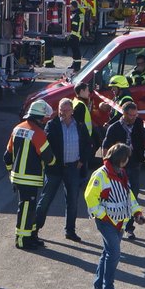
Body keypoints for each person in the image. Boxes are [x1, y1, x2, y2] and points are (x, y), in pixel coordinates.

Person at [85, 143, 145, 289]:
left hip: (119, 222)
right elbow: (90, 198)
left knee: (108, 253)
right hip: (107, 222)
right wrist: (103, 216)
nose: (128, 161)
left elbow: (128, 196)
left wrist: (137, 213)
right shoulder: (100, 175)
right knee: (114, 254)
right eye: (127, 158)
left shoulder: (121, 173)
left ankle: (98, 287)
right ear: (121, 159)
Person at [36, 98, 92, 243]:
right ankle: (34, 229)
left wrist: (82, 160)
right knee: (46, 199)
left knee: (73, 201)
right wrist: (49, 161)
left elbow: (88, 144)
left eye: (66, 110)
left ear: (72, 111)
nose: (63, 113)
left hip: (73, 168)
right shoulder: (52, 124)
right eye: (61, 109)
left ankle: (70, 231)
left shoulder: (79, 125)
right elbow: (44, 145)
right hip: (54, 168)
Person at [6, 99, 57, 249]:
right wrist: (55, 162)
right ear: (40, 118)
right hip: (30, 178)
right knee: (26, 208)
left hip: (18, 177)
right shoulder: (38, 133)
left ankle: (31, 236)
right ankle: (22, 240)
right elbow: (49, 158)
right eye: (44, 119)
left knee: (30, 208)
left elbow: (7, 156)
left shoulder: (17, 129)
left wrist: (11, 173)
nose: (45, 122)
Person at [102, 101, 145, 240]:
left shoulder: (139, 123)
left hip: (134, 164)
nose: (133, 117)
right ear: (124, 113)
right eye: (131, 115)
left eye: (135, 115)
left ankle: (129, 228)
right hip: (119, 167)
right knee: (118, 196)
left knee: (133, 194)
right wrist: (106, 166)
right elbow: (105, 146)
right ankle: (116, 224)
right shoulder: (114, 128)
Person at [71, 82, 100, 155]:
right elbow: (80, 125)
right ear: (81, 91)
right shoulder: (80, 105)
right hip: (84, 140)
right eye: (87, 90)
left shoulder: (75, 101)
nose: (89, 93)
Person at [67, 7, 84, 72]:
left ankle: (77, 66)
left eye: (70, 6)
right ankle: (74, 65)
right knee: (74, 51)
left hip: (75, 35)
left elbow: (75, 25)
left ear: (73, 7)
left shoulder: (78, 15)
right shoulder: (77, 14)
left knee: (76, 51)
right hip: (75, 34)